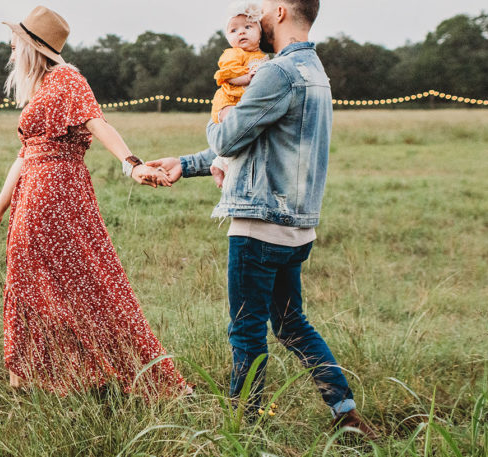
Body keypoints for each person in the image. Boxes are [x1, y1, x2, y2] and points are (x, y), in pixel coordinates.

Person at [147, 0, 380, 438]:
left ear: (279, 11)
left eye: (260, 12)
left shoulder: (276, 73)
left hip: (258, 226)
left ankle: (243, 430)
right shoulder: (314, 71)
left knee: (246, 332)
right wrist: (186, 163)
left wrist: (217, 116)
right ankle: (345, 414)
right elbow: (258, 142)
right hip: (297, 226)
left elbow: (229, 136)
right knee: (292, 325)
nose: (254, 20)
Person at [0, 5, 189, 396]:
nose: (9, 46)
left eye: (15, 40)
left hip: (56, 193)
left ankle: (108, 374)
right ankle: (35, 378)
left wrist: (132, 164)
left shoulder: (67, 79)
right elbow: (23, 157)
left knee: (87, 282)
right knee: (32, 284)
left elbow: (98, 122)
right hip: (33, 193)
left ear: (32, 46)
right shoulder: (41, 87)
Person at [209, 1, 270, 185]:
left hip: (242, 103)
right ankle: (226, 164)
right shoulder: (233, 54)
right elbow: (227, 75)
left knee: (245, 131)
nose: (241, 32)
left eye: (248, 27)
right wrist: (247, 78)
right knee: (234, 127)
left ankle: (218, 163)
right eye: (233, 30)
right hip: (227, 101)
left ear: (260, 32)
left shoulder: (262, 56)